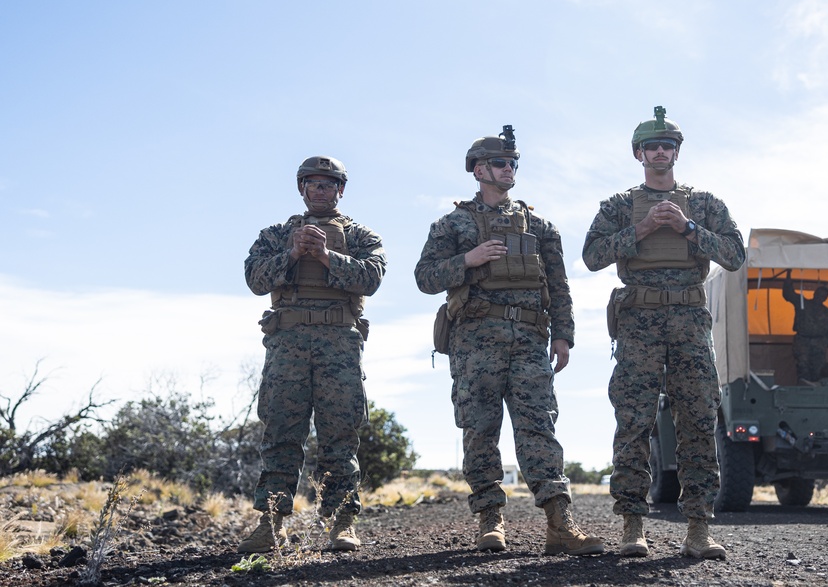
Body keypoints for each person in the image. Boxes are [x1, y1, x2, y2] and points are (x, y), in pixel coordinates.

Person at [414, 126, 603, 556]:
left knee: (540, 426)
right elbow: (424, 277)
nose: (509, 169)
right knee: (479, 428)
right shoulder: (453, 224)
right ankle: (490, 520)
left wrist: (564, 337)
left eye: (514, 163)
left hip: (530, 339)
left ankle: (560, 522)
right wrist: (467, 259)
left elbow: (559, 284)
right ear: (479, 170)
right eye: (501, 163)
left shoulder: (539, 225)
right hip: (474, 341)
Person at [582, 106, 745, 559]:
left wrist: (689, 229)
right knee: (633, 419)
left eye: (667, 145)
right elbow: (592, 255)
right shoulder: (617, 206)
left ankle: (698, 528)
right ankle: (633, 525)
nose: (659, 152)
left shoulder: (706, 204)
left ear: (677, 152)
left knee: (697, 418)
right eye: (651, 146)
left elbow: (734, 255)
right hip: (639, 322)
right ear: (639, 154)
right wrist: (642, 228)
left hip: (690, 322)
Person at [238, 156, 387, 554]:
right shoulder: (275, 234)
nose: (320, 191)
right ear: (301, 189)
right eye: (313, 184)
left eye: (328, 184)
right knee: (281, 432)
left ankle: (341, 523)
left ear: (341, 190)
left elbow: (372, 278)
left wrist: (326, 256)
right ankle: (270, 524)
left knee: (340, 433)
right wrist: (290, 254)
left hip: (339, 341)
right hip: (287, 342)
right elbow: (254, 279)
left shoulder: (359, 235)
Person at [782, 274, 828, 384]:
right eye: (819, 294)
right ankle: (802, 392)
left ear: (826, 298)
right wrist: (788, 278)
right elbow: (788, 294)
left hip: (819, 344)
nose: (820, 297)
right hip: (803, 342)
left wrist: (827, 342)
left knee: (819, 370)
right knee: (803, 368)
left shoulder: (827, 312)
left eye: (824, 296)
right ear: (814, 293)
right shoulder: (802, 303)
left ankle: (816, 393)